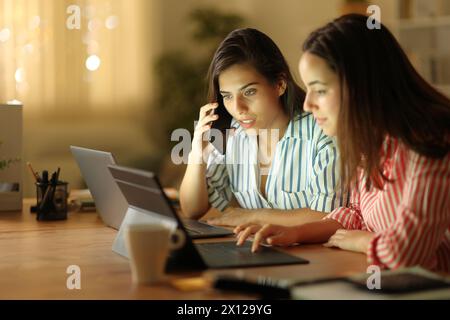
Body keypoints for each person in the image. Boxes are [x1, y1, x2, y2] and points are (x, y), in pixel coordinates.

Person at [235, 15, 450, 273]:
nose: (307, 104)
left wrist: (362, 241)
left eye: (321, 90)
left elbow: (406, 253)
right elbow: (356, 213)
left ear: (360, 86)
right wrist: (296, 232)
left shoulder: (431, 140)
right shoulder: (373, 140)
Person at [179, 28, 346, 228]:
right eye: (228, 96)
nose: (238, 108)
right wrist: (197, 152)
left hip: (317, 256)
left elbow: (329, 215)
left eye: (249, 92)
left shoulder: (322, 132)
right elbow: (192, 209)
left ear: (280, 84)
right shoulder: (234, 134)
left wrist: (254, 216)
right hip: (260, 252)